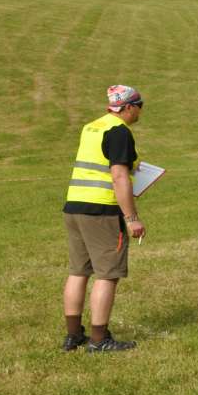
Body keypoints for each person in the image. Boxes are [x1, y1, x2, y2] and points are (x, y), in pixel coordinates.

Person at [61, 85, 146, 353]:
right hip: (101, 211)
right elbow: (119, 176)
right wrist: (131, 218)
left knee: (78, 271)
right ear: (128, 107)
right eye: (139, 106)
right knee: (108, 274)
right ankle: (99, 339)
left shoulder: (92, 127)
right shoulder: (119, 131)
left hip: (75, 205)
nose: (140, 112)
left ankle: (73, 335)